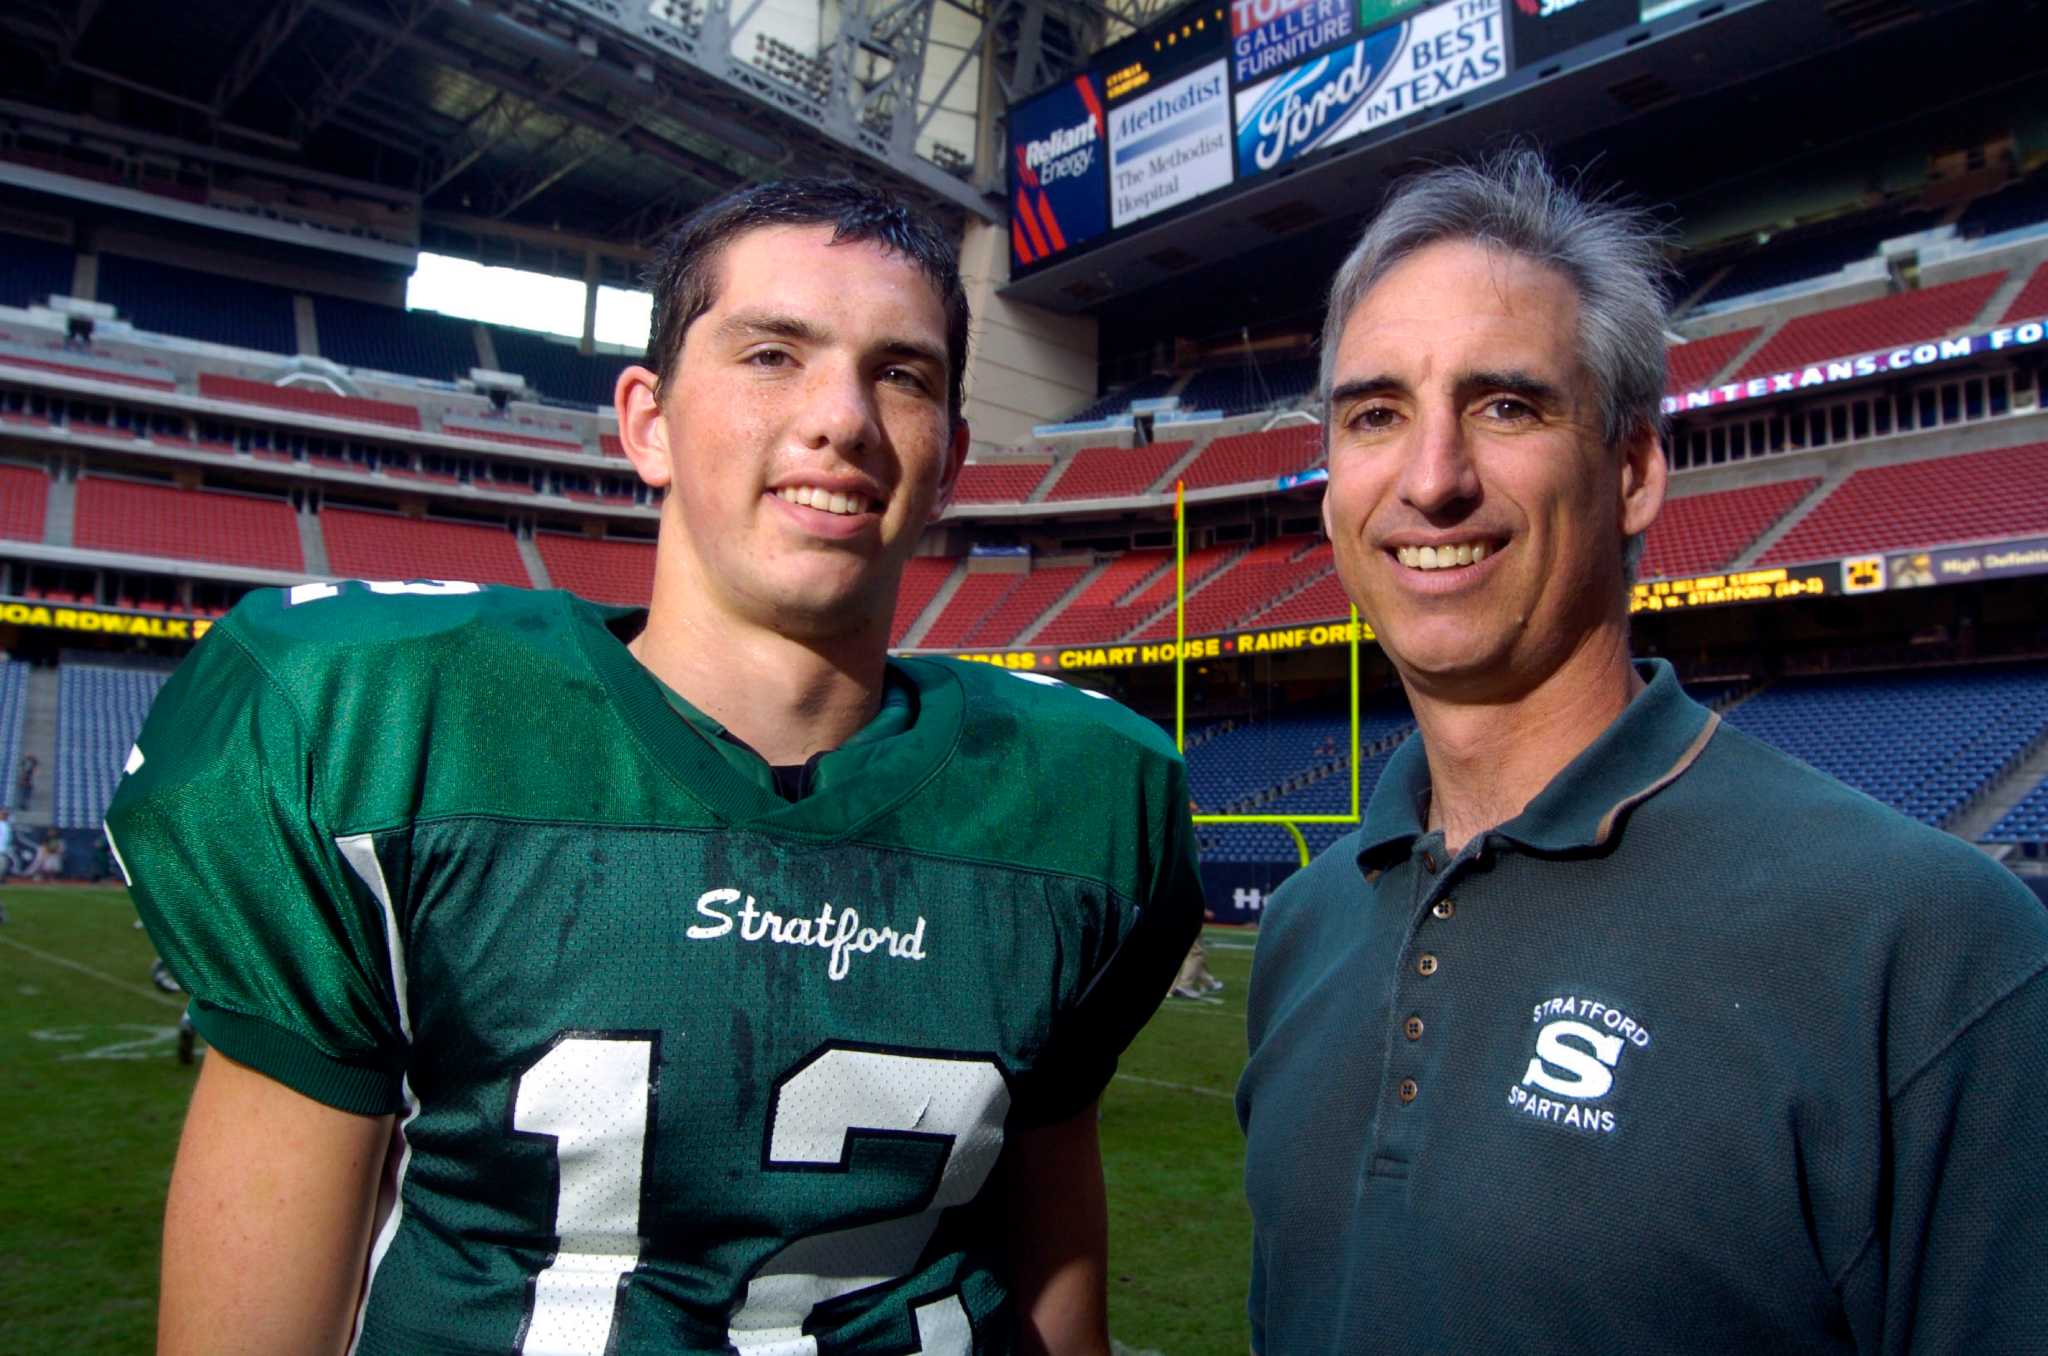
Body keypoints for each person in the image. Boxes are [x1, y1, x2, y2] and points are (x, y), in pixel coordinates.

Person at [108, 178, 1204, 1356]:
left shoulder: (1085, 795)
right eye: (771, 353)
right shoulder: (387, 724)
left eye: (903, 373)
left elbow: (1054, 1303)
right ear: (647, 424)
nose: (841, 417)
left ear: (947, 460)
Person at [1236, 150, 2048, 1354]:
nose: (1430, 478)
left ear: (1628, 471)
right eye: (1374, 414)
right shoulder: (1304, 923)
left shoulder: (1925, 947)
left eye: (1505, 406)